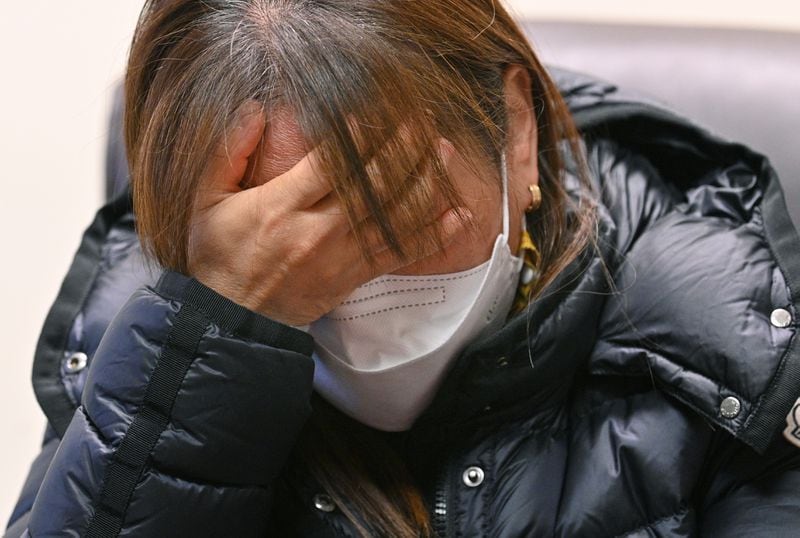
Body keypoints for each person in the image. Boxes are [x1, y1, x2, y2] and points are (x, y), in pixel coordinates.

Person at [6, 1, 800, 536]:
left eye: (395, 221)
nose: (329, 282)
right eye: (267, 244)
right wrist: (214, 335)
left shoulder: (726, 341)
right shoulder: (146, 327)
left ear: (517, 134)